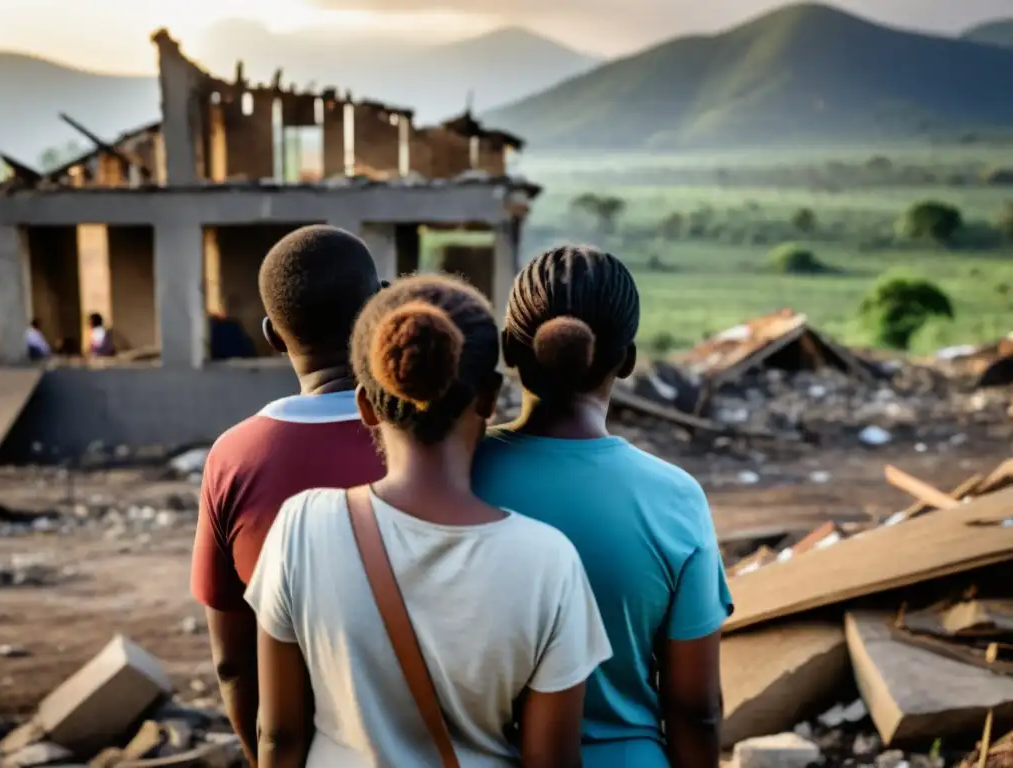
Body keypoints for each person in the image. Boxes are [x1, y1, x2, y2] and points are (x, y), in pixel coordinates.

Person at [245, 274, 613, 767]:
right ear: (488, 398)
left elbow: (278, 736)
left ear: (365, 406)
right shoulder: (549, 560)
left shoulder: (302, 528)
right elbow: (551, 761)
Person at [472, 246, 733, 768]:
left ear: (508, 349)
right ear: (629, 359)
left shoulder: (457, 473)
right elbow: (694, 709)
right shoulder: (674, 498)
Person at [190, 226, 387, 764]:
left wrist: (265, 757)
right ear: (379, 307)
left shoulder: (235, 458)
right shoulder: (433, 443)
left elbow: (232, 662)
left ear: (273, 334)